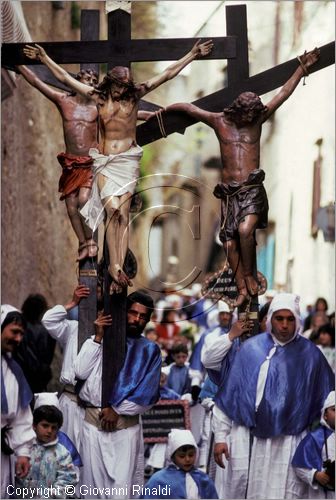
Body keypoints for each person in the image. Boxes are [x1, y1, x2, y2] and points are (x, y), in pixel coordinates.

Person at [23, 40, 213, 290]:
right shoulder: (98, 98)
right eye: (118, 87)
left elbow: (167, 74)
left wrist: (192, 54)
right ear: (111, 84)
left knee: (122, 214)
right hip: (104, 161)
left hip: (128, 160)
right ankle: (113, 265)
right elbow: (65, 80)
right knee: (112, 208)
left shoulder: (134, 98)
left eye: (125, 88)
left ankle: (117, 267)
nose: (121, 92)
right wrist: (45, 58)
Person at [165, 48, 320, 307]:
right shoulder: (219, 121)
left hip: (251, 189)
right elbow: (189, 109)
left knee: (245, 230)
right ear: (239, 110)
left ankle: (248, 275)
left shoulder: (258, 120)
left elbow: (282, 93)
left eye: (254, 114)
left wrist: (301, 69)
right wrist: (162, 114)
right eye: (247, 114)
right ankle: (241, 287)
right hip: (228, 193)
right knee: (228, 245)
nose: (251, 118)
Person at [207, 293, 334, 499]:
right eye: (279, 318)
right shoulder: (251, 349)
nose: (284, 325)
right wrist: (221, 437)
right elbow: (230, 396)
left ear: (298, 320)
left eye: (290, 319)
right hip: (248, 438)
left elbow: (328, 400)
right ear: (270, 319)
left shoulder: (311, 355)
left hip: (290, 443)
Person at [73, 290, 161, 498]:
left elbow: (147, 395)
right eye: (133, 313)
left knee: (121, 491)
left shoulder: (149, 350)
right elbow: (80, 372)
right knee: (90, 490)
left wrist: (116, 410)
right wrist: (98, 337)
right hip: (92, 427)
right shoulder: (99, 339)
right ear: (123, 312)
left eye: (142, 316)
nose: (137, 319)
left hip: (124, 432)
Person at [17, 63, 99, 261]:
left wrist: (152, 116)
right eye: (88, 80)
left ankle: (91, 241)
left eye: (95, 82)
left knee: (83, 200)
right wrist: (18, 64)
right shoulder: (63, 101)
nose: (92, 84)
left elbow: (122, 116)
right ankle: (81, 243)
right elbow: (37, 82)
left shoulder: (97, 108)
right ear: (77, 81)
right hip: (71, 163)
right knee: (71, 206)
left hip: (89, 163)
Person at [41, 284, 90, 451]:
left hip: (93, 409)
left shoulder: (112, 335)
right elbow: (48, 320)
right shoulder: (72, 328)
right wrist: (72, 303)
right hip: (70, 401)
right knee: (65, 452)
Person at [1, 305, 35, 498]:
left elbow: (21, 417)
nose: (18, 339)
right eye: (14, 332)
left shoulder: (14, 371)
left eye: (21, 334)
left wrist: (23, 451)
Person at [16, 393, 78, 498]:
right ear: (34, 425)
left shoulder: (62, 453)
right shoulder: (23, 450)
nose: (49, 431)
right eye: (45, 426)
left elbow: (67, 479)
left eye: (53, 427)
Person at [141, 429, 218, 499]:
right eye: (182, 456)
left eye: (191, 455)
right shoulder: (159, 481)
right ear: (172, 456)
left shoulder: (203, 480)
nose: (187, 459)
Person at [292, 391, 335, 499]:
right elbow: (299, 466)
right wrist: (315, 475)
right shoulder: (315, 437)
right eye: (334, 410)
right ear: (325, 415)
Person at [13, 294, 55, 393]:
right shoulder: (47, 330)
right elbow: (48, 357)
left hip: (22, 378)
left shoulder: (20, 327)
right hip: (38, 379)